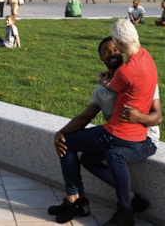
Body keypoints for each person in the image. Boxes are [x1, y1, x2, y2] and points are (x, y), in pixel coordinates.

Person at [49, 18, 157, 226]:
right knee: (87, 156)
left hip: (142, 137)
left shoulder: (132, 73)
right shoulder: (134, 67)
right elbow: (85, 116)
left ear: (120, 47)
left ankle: (77, 200)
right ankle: (119, 201)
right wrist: (60, 132)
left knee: (71, 144)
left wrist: (139, 118)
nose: (112, 53)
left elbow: (157, 116)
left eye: (114, 49)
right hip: (122, 134)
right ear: (101, 59)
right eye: (106, 52)